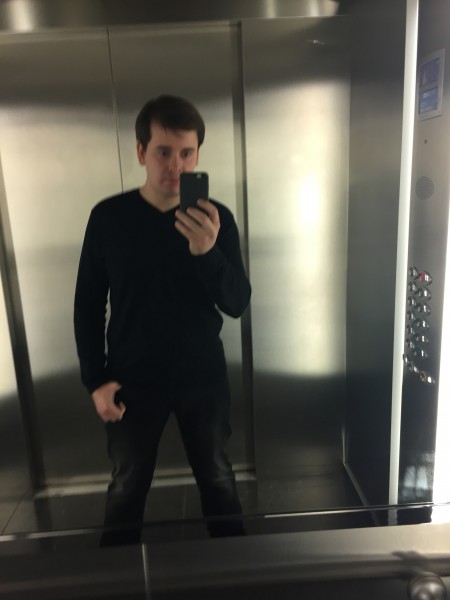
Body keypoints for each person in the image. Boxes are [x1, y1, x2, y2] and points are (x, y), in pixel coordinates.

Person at [74, 95, 251, 544]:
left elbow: (237, 302)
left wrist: (207, 253)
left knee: (218, 479)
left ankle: (239, 572)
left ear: (198, 156)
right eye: (163, 152)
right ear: (141, 152)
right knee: (127, 485)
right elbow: (88, 304)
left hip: (202, 376)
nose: (176, 165)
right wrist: (95, 380)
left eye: (187, 152)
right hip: (132, 379)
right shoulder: (108, 219)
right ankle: (115, 574)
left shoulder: (216, 220)